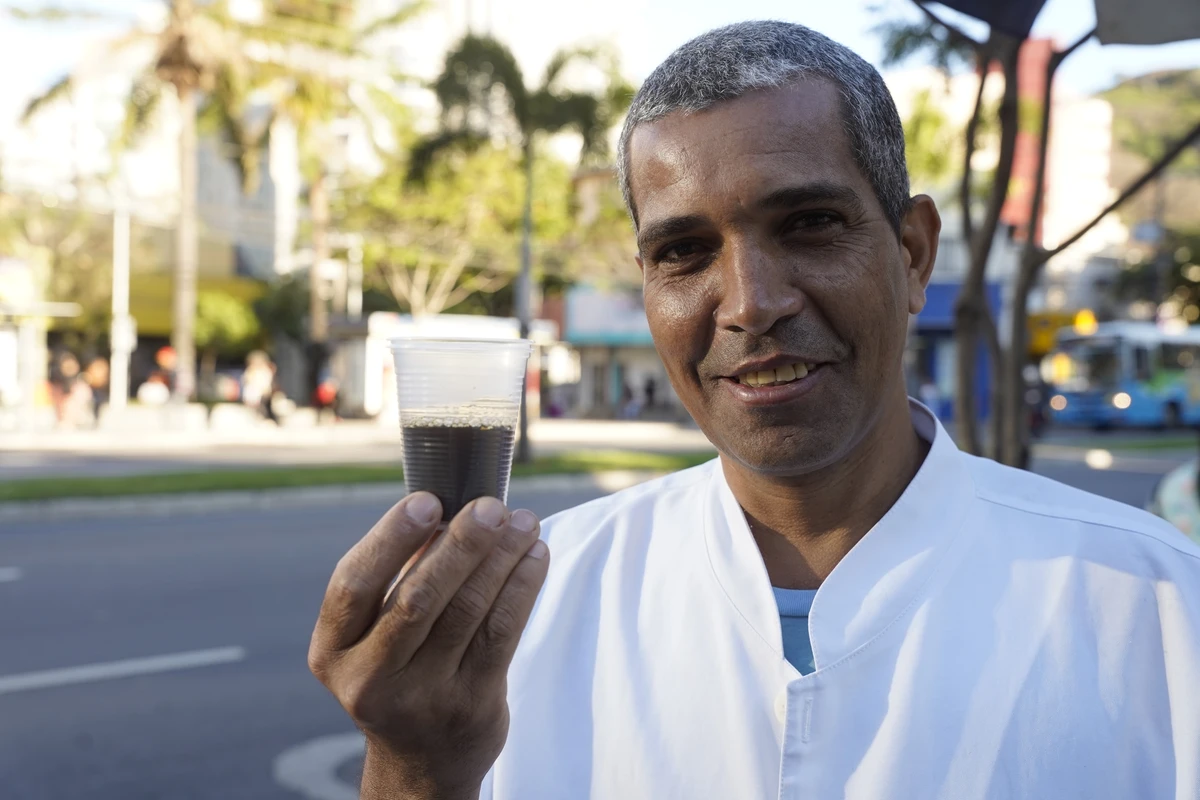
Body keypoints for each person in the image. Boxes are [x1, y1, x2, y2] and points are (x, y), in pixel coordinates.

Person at [307, 22, 1200, 800]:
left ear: (912, 253)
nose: (750, 303)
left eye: (808, 224)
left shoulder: (1158, 608)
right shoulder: (525, 611)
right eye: (684, 251)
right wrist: (415, 769)